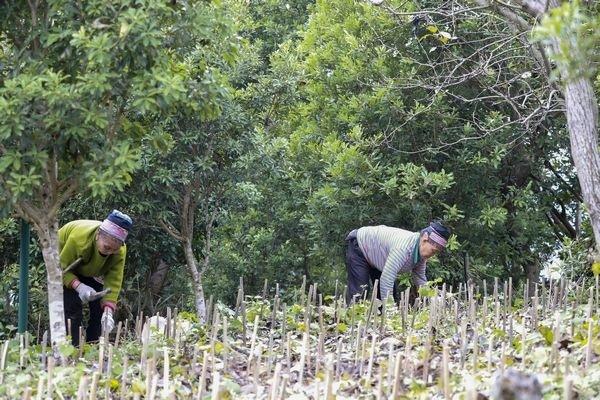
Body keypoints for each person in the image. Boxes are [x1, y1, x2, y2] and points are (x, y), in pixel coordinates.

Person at [59, 210, 132, 345]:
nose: (110, 252)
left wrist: (108, 311)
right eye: (107, 247)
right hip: (65, 264)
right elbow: (61, 270)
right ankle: (71, 348)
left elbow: (114, 279)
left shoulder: (119, 250)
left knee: (100, 309)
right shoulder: (78, 239)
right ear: (98, 235)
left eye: (114, 250)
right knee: (72, 308)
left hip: (91, 269)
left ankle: (94, 346)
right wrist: (78, 286)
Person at [345, 220, 451, 305]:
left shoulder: (420, 254)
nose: (432, 255)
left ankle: (382, 327)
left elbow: (420, 279)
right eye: (433, 251)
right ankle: (352, 325)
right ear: (424, 238)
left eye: (436, 253)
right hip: (360, 246)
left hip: (378, 255)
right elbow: (386, 280)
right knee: (360, 292)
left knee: (390, 296)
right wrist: (391, 311)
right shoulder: (403, 249)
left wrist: (433, 300)